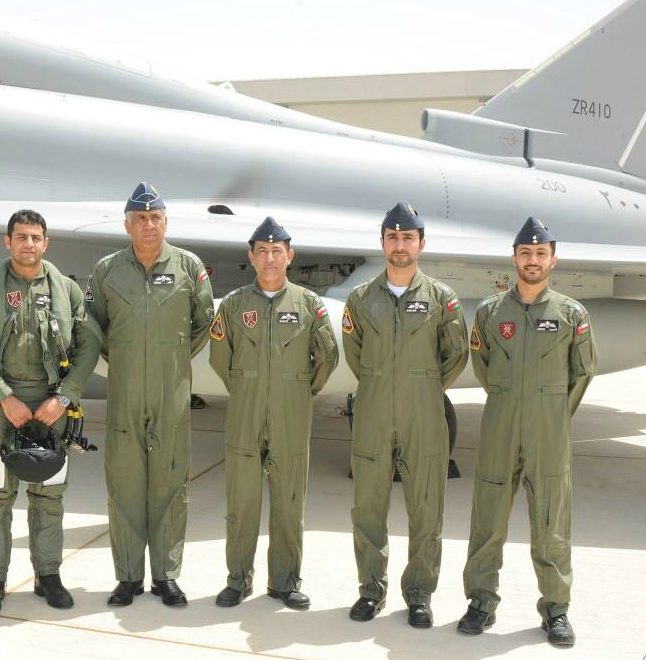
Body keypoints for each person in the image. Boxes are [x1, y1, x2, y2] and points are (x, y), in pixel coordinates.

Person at [457, 217, 597, 648]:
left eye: (540, 253)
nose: (532, 260)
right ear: (514, 258)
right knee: (487, 521)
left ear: (552, 259)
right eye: (525, 253)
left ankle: (556, 611)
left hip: (548, 433)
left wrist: (552, 412)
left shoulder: (571, 313)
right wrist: (508, 399)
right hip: (500, 425)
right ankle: (480, 603)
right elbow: (482, 367)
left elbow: (583, 371)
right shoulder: (489, 312)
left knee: (551, 524)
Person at [0, 209, 103, 614]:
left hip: (53, 403)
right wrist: (2, 395)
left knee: (50, 496)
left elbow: (89, 342)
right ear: (8, 242)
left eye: (36, 237)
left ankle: (48, 575)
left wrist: (67, 395)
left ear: (46, 243)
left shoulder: (67, 291)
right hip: (0, 404)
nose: (28, 244)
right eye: (21, 237)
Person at [86, 183, 215, 607]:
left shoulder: (188, 266)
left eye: (155, 217)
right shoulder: (107, 270)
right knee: (124, 484)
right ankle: (127, 577)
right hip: (123, 391)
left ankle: (166, 576)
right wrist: (124, 358)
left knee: (170, 483)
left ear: (165, 222)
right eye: (140, 218)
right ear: (127, 225)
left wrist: (171, 357)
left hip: (171, 391)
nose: (148, 225)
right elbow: (96, 326)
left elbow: (203, 323)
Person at [342, 202, 468, 628]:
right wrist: (382, 384)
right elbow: (355, 355)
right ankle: (371, 591)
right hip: (374, 412)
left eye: (407, 238)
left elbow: (456, 355)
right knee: (368, 507)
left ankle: (419, 594)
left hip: (424, 415)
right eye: (393, 237)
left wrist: (423, 384)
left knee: (426, 509)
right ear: (382, 243)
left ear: (421, 244)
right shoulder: (360, 299)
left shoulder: (442, 299)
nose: (400, 245)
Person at [208, 217, 339, 610]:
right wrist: (247, 387)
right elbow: (219, 357)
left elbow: (327, 356)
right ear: (251, 257)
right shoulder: (233, 305)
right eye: (262, 251)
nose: (269, 257)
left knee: (289, 501)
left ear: (289, 257)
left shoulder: (308, 304)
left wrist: (299, 389)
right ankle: (238, 580)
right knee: (242, 502)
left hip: (291, 413)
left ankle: (285, 582)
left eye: (277, 251)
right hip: (245, 412)